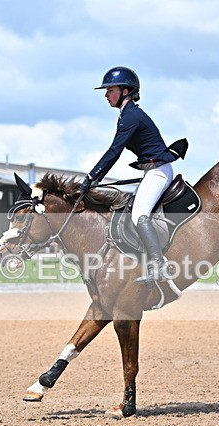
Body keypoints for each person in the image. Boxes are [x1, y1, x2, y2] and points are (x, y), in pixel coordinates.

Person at [81, 66, 187, 284]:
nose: (106, 95)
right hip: (152, 170)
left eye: (110, 90)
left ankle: (159, 266)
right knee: (132, 212)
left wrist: (92, 178)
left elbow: (114, 151)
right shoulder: (126, 115)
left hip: (158, 171)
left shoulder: (130, 116)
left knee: (139, 214)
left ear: (126, 91)